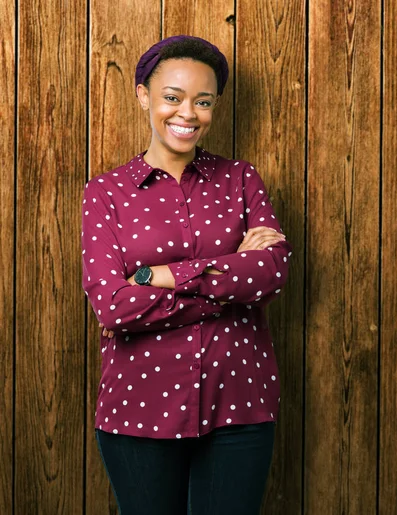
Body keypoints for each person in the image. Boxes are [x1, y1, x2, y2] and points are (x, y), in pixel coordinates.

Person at [81, 35, 292, 515]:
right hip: (139, 408)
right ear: (144, 96)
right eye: (173, 98)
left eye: (204, 101)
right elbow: (113, 306)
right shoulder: (105, 193)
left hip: (240, 402)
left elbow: (272, 272)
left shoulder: (242, 179)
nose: (188, 114)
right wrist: (228, 282)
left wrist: (156, 276)